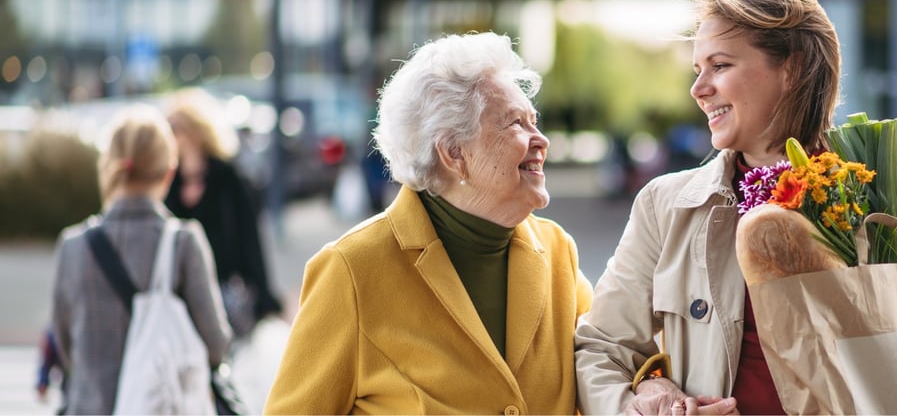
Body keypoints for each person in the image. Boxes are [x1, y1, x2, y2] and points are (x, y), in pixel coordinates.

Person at [574, 0, 897, 414]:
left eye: (720, 65)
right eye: (697, 68)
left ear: (793, 68)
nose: (698, 88)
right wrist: (647, 396)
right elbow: (601, 349)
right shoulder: (667, 206)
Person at [264, 32, 594, 414]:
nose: (541, 140)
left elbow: (608, 358)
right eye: (516, 124)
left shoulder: (558, 252)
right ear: (454, 153)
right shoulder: (352, 270)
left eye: (534, 122)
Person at [50, 105, 232, 414]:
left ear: (110, 165)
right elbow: (216, 345)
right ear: (169, 172)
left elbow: (64, 346)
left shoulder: (73, 246)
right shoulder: (183, 242)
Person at [163, 88, 283, 338]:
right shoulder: (167, 184)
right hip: (181, 296)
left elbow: (251, 240)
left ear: (196, 131)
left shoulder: (228, 178)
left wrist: (264, 295)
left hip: (226, 292)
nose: (170, 136)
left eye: (175, 128)